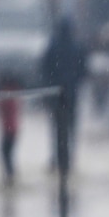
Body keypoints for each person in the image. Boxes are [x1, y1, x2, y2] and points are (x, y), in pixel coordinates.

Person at [39, 16, 87, 173]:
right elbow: (84, 72)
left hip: (56, 95)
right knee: (70, 127)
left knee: (57, 128)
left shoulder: (54, 46)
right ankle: (68, 160)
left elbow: (45, 70)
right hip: (71, 94)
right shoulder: (77, 47)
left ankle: (58, 158)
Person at [0, 73, 20, 184]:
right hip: (10, 129)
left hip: (9, 130)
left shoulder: (8, 96)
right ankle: (9, 175)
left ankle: (10, 176)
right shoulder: (12, 95)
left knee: (5, 153)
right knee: (6, 154)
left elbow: (3, 109)